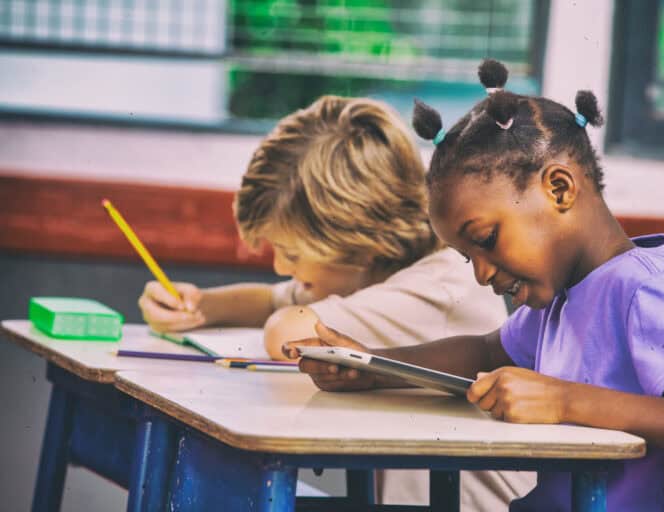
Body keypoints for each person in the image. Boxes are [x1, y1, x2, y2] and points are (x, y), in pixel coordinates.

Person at [284, 61, 664, 511]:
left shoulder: (642, 290)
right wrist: (374, 366)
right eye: (466, 257)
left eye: (487, 240)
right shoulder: (560, 298)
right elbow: (486, 354)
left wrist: (563, 400)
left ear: (559, 188)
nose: (480, 273)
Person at [138, 95, 536, 511]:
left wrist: (265, 310)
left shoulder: (439, 287)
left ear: (354, 243)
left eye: (291, 254)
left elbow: (285, 331)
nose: (278, 266)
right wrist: (199, 304)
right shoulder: (377, 275)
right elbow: (273, 299)